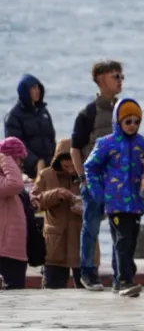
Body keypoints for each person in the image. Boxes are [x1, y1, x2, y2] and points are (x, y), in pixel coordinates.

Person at [84, 99, 144, 298]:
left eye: (136, 122)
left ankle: (120, 280)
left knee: (130, 241)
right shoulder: (106, 143)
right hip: (115, 202)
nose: (132, 125)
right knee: (123, 240)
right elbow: (90, 167)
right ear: (118, 121)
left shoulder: (143, 143)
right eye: (128, 121)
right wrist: (98, 193)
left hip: (136, 202)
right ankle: (125, 281)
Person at [72, 60, 123, 291]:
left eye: (121, 76)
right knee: (91, 227)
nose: (120, 81)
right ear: (101, 79)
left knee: (120, 230)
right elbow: (75, 148)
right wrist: (83, 178)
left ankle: (120, 276)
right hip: (93, 181)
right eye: (116, 76)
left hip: (119, 182)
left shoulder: (124, 109)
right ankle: (88, 274)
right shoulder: (88, 113)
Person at [32, 139, 84, 289]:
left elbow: (103, 208)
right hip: (55, 245)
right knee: (51, 291)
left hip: (82, 244)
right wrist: (55, 195)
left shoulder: (88, 174)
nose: (70, 170)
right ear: (58, 161)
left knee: (88, 294)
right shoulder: (46, 175)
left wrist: (85, 209)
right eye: (66, 166)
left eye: (73, 165)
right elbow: (34, 203)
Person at [4, 74, 56, 180]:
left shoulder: (43, 111)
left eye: (38, 87)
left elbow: (51, 137)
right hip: (29, 169)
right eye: (33, 88)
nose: (37, 91)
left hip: (49, 165)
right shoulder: (14, 116)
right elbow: (16, 146)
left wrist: (56, 159)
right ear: (24, 91)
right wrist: (35, 162)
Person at [0, 138, 30, 290]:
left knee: (17, 294)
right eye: (19, 159)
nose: (21, 163)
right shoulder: (7, 180)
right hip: (4, 250)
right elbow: (15, 184)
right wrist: (5, 158)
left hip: (15, 250)